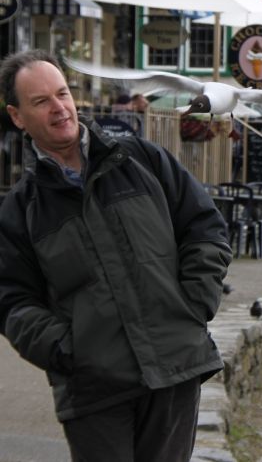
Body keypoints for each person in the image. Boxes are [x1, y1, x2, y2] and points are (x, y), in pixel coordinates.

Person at [0, 50, 231, 462]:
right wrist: (66, 349)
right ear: (17, 117)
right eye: (41, 102)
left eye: (62, 94)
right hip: (94, 388)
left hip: (174, 367)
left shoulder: (142, 160)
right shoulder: (21, 210)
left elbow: (204, 229)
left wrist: (194, 304)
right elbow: (12, 301)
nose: (59, 109)